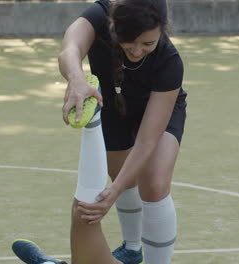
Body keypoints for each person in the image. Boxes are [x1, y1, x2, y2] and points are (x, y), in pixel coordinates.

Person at [60, 0, 187, 263]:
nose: (138, 51)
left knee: (154, 184)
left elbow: (147, 141)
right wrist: (76, 79)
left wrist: (112, 193)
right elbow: (70, 49)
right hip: (113, 103)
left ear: (162, 31)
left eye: (148, 43)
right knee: (123, 176)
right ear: (114, 27)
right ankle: (132, 249)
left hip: (157, 108)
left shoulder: (170, 62)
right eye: (129, 43)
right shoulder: (99, 14)